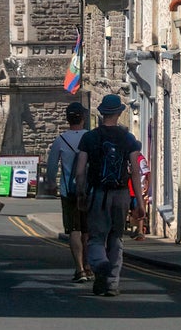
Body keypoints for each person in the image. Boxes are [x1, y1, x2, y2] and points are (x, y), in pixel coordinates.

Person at [73, 93, 141, 297]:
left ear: (101, 113)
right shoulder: (128, 138)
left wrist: (81, 193)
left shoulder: (89, 137)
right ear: (119, 113)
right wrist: (139, 202)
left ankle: (99, 263)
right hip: (121, 194)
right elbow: (135, 171)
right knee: (116, 238)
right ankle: (112, 283)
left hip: (98, 194)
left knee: (96, 238)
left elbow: (80, 171)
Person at [46, 102, 90, 283]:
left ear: (67, 119)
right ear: (83, 118)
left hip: (68, 191)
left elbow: (51, 167)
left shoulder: (60, 140)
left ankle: (79, 270)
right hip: (88, 190)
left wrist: (51, 184)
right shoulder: (90, 137)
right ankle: (89, 266)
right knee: (87, 231)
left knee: (74, 230)